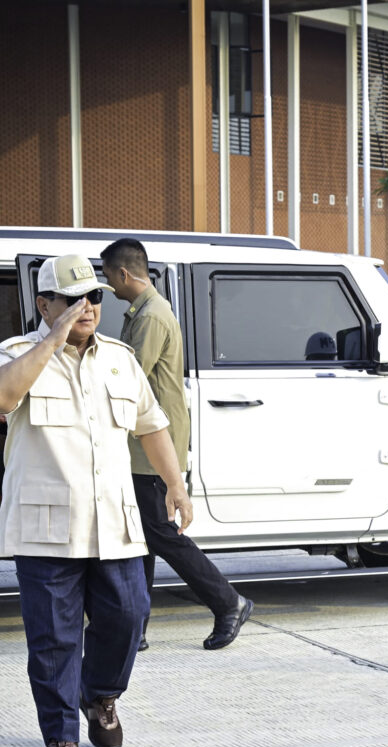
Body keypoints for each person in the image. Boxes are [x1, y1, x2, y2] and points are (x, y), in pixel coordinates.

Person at [0, 254, 194, 747]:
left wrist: (175, 483)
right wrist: (51, 341)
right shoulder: (17, 354)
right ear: (44, 303)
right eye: (73, 299)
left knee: (128, 614)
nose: (87, 308)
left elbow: (152, 426)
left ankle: (99, 696)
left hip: (114, 523)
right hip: (47, 528)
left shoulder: (119, 358)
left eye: (94, 297)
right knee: (53, 638)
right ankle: (59, 738)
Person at [99, 238, 252, 652]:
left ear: (125, 274)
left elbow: (126, 376)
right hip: (145, 439)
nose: (108, 285)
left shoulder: (151, 316)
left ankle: (228, 602)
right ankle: (138, 626)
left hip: (153, 442)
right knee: (143, 534)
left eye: (109, 276)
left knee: (160, 533)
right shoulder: (145, 310)